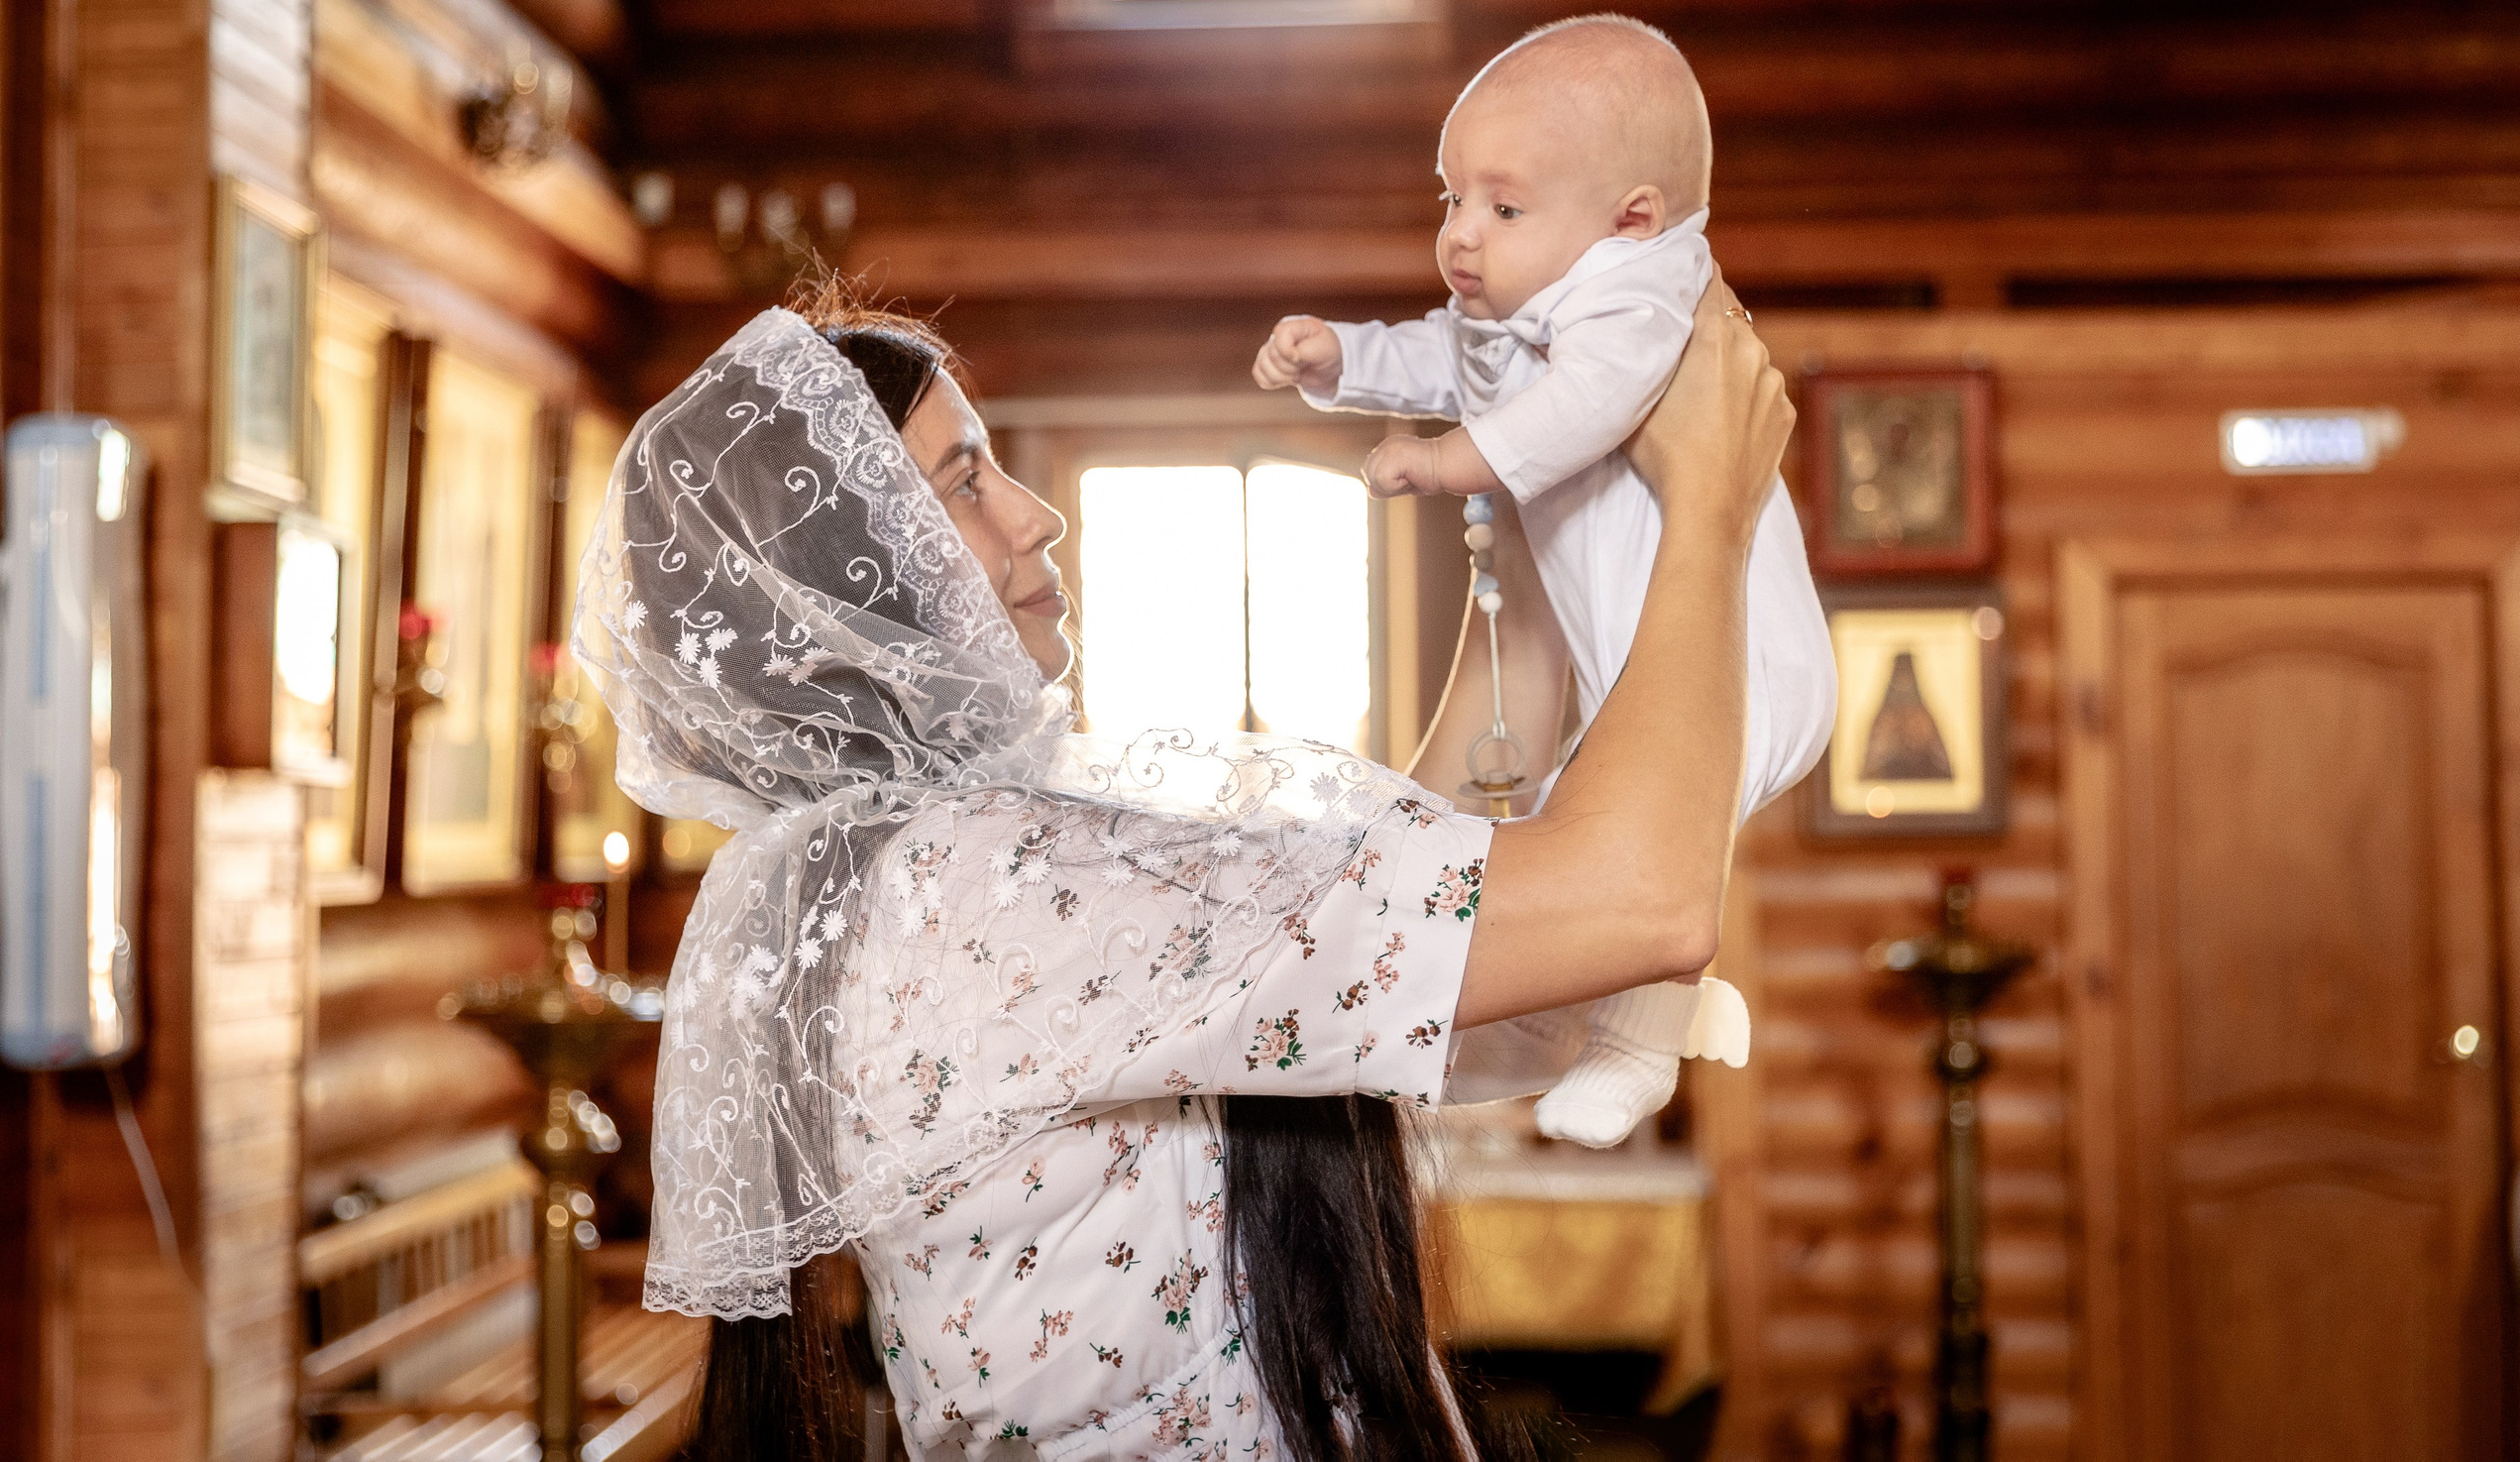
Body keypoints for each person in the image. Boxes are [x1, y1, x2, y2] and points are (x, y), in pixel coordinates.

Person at [574, 265, 1792, 1459]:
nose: (1032, 514)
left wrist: (1522, 538)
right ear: (851, 580)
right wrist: (1712, 511)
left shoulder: (915, 867)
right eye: (963, 480)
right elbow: (1640, 902)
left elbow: (1382, 902)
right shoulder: (978, 887)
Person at [1253, 15, 1835, 1147]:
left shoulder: (1641, 294)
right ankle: (1595, 1025)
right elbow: (1446, 358)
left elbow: (1577, 413)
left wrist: (1441, 461)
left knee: (1630, 845)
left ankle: (1635, 1043)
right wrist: (1344, 366)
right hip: (1632, 660)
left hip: (1740, 663)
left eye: (1502, 207)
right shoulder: (1529, 307)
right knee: (1581, 832)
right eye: (1449, 199)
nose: (1461, 236)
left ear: (1632, 221)